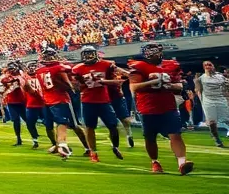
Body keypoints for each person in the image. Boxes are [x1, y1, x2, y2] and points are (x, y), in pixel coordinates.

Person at [128, 43, 193, 175]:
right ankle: (155, 162)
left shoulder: (170, 65)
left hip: (168, 106)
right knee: (150, 137)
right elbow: (134, 88)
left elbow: (180, 86)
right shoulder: (139, 66)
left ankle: (182, 163)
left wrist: (168, 86)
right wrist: (154, 82)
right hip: (147, 107)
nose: (156, 54)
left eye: (157, 51)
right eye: (152, 51)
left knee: (175, 134)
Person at [70, 45, 124, 163]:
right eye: (86, 54)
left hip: (104, 101)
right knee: (90, 127)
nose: (89, 56)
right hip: (87, 101)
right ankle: (93, 152)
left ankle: (115, 146)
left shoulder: (106, 64)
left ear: (96, 54)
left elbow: (118, 81)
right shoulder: (78, 68)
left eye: (91, 53)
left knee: (113, 126)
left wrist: (103, 81)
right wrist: (81, 84)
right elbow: (76, 87)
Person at [36, 47, 76, 160]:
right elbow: (69, 74)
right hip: (59, 98)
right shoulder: (59, 67)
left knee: (51, 125)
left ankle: (56, 144)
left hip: (46, 100)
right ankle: (62, 144)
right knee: (62, 122)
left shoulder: (39, 71)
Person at [195, 60, 227, 149]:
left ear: (213, 66)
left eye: (209, 65)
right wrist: (202, 101)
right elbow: (198, 90)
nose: (208, 66)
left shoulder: (220, 77)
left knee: (227, 119)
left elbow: (226, 87)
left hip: (220, 99)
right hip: (208, 100)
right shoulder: (201, 78)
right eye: (205, 65)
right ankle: (216, 139)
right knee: (212, 122)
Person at [0, 60, 30, 146]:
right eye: (10, 69)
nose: (11, 70)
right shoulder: (7, 77)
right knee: (16, 120)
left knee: (27, 120)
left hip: (22, 100)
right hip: (12, 101)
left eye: (13, 68)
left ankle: (34, 137)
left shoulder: (22, 75)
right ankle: (18, 139)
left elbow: (23, 80)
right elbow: (3, 80)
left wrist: (18, 75)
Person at [21, 61, 47, 150]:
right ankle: (35, 140)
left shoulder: (41, 76)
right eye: (30, 66)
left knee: (49, 123)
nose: (32, 68)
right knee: (30, 124)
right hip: (31, 104)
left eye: (34, 66)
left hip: (44, 103)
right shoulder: (24, 78)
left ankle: (55, 142)